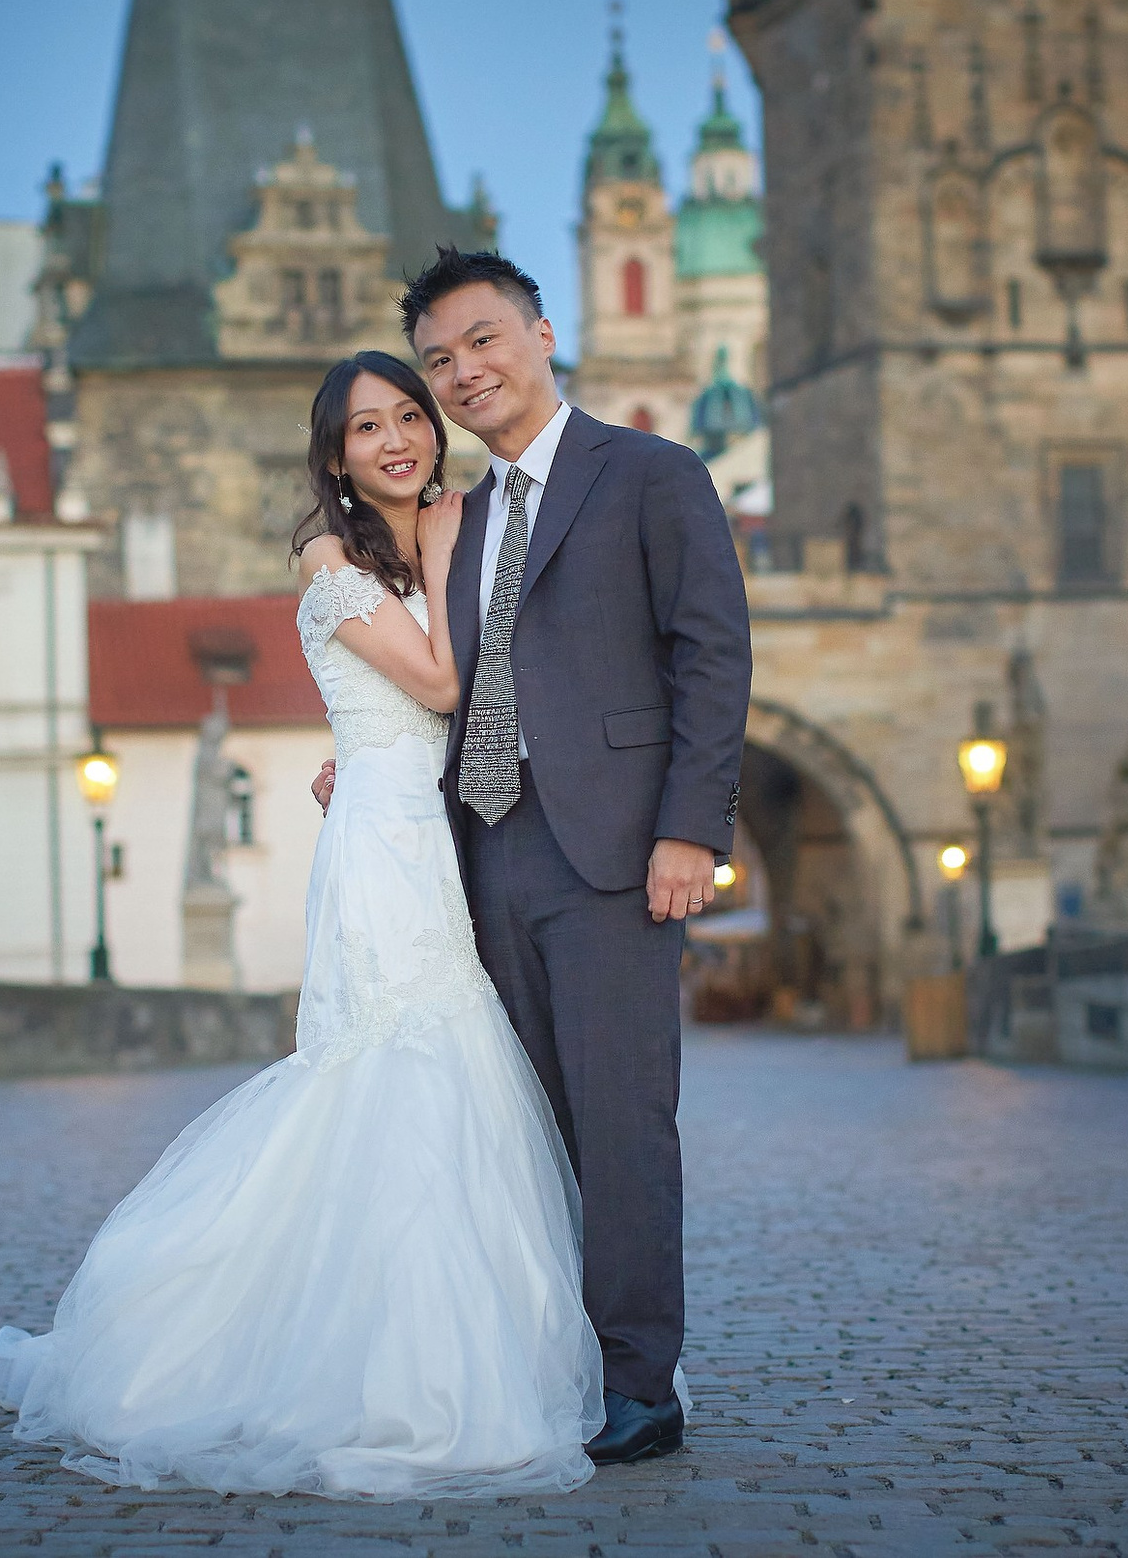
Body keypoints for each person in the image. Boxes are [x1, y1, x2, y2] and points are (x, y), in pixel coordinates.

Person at [0, 350, 603, 1500]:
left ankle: (463, 1352)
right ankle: (320, 1356)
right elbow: (438, 682)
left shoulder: (432, 535)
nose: (395, 440)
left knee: (453, 1069)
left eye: (408, 416)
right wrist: (442, 552)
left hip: (429, 823)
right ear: (335, 454)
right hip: (381, 840)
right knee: (393, 1066)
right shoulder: (330, 554)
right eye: (367, 427)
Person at [316, 249, 751, 1465]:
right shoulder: (449, 518)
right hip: (475, 850)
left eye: (481, 341)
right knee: (521, 1127)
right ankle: (549, 1358)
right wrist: (366, 762)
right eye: (439, 359)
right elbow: (438, 680)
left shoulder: (651, 473)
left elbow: (711, 654)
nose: (463, 372)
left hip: (611, 850)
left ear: (542, 334)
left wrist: (689, 827)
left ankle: (638, 1383)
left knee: (621, 1123)